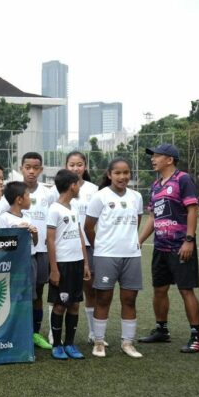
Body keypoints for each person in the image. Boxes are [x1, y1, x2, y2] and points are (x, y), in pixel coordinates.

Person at [137, 143, 199, 352]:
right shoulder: (156, 185)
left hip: (180, 245)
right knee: (159, 290)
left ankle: (196, 335)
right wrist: (139, 240)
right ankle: (162, 329)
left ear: (170, 159)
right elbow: (153, 217)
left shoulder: (183, 179)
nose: (152, 159)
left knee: (186, 290)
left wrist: (189, 240)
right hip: (161, 246)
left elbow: (192, 209)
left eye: (157, 156)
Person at [85, 158, 144, 359]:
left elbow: (137, 222)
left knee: (130, 299)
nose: (122, 177)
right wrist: (100, 246)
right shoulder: (99, 197)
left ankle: (127, 343)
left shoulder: (136, 197)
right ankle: (99, 341)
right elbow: (88, 227)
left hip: (131, 255)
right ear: (109, 174)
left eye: (126, 172)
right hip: (106, 256)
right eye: (117, 173)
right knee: (103, 299)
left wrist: (128, 242)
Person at [46, 169, 91, 360]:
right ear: (72, 185)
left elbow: (80, 235)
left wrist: (86, 263)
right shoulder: (54, 209)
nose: (80, 186)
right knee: (60, 305)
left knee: (74, 304)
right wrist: (54, 269)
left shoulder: (72, 208)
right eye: (78, 183)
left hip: (77, 263)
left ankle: (70, 344)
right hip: (62, 265)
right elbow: (50, 241)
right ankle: (57, 345)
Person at [13, 152, 56, 349]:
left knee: (38, 292)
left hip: (41, 250)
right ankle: (16, 333)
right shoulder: (12, 190)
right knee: (18, 293)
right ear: (21, 168)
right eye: (27, 167)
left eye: (35, 168)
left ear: (41, 169)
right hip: (18, 253)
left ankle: (35, 333)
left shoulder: (49, 193)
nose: (31, 171)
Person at [0, 182, 39, 250]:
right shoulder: (4, 218)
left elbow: (34, 244)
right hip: (15, 259)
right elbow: (2, 245)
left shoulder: (27, 216)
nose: (30, 199)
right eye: (28, 195)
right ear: (19, 200)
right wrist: (17, 230)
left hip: (30, 258)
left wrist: (35, 233)